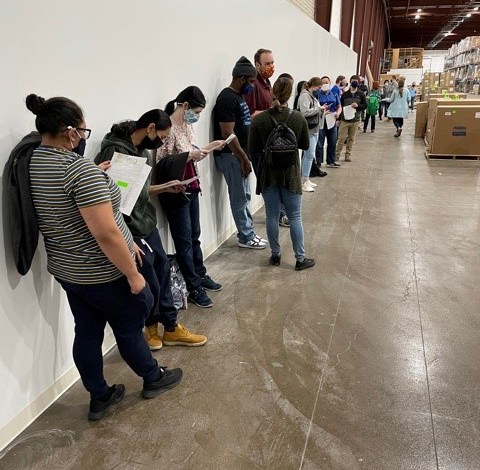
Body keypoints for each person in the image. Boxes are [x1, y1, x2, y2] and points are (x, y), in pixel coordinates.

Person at [27, 94, 183, 420]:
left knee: (86, 332)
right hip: (103, 271)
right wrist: (133, 274)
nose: (85, 138)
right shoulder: (79, 171)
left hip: (68, 270)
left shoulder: (36, 161)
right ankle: (153, 378)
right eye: (84, 132)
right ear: (71, 133)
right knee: (128, 328)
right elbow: (106, 233)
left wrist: (95, 175)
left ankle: (99, 397)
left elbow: (66, 202)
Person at [95, 110, 209, 348]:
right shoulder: (113, 152)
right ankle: (151, 329)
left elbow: (139, 191)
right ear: (149, 128)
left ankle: (170, 327)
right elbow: (112, 199)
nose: (160, 142)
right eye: (160, 135)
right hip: (129, 228)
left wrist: (166, 186)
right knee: (149, 281)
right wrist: (125, 236)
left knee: (163, 272)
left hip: (146, 221)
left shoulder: (143, 153)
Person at [156, 86, 223, 307]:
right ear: (185, 106)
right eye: (196, 111)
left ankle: (199, 274)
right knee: (184, 241)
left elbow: (190, 156)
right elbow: (162, 164)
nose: (197, 117)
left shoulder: (187, 126)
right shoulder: (169, 128)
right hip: (175, 192)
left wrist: (206, 150)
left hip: (191, 186)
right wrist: (189, 156)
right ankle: (193, 286)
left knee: (195, 235)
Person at [248, 77, 315, 270]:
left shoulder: (259, 120)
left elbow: (253, 149)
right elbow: (304, 144)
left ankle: (275, 255)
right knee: (295, 217)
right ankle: (300, 259)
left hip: (268, 174)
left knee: (271, 216)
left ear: (272, 93)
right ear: (291, 94)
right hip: (291, 174)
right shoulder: (297, 118)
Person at [213, 56, 268, 249]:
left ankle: (248, 232)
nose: (253, 86)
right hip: (231, 156)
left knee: (244, 197)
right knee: (239, 198)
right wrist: (243, 158)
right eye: (252, 82)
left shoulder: (238, 97)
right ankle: (246, 236)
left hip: (240, 156)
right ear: (242, 79)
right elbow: (228, 135)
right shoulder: (227, 99)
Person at [244, 49, 289, 229]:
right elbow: (250, 115)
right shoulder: (253, 85)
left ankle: (280, 213)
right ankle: (277, 214)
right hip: (259, 145)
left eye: (272, 62)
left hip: (271, 143)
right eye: (267, 63)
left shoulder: (267, 83)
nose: (271, 66)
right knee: (268, 184)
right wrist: (273, 111)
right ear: (257, 65)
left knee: (277, 181)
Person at [297, 77, 327, 192]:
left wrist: (321, 110)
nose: (319, 90)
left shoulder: (312, 96)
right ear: (313, 86)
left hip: (315, 129)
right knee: (309, 155)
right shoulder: (304, 96)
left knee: (309, 156)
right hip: (309, 129)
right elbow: (304, 112)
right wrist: (318, 109)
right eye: (319, 87)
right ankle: (304, 180)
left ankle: (306, 178)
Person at [335, 75, 367, 162]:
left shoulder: (361, 94)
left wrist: (358, 106)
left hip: (355, 120)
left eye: (356, 81)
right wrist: (338, 119)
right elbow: (340, 106)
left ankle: (348, 154)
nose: (355, 83)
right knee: (341, 138)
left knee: (351, 138)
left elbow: (365, 106)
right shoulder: (345, 94)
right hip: (345, 120)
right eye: (353, 81)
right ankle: (337, 154)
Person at [314, 76, 342, 169]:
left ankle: (331, 161)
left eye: (327, 82)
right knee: (320, 143)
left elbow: (339, 106)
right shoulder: (317, 94)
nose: (325, 84)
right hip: (322, 120)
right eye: (323, 83)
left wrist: (338, 113)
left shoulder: (334, 94)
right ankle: (318, 162)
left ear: (330, 83)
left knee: (332, 141)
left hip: (332, 120)